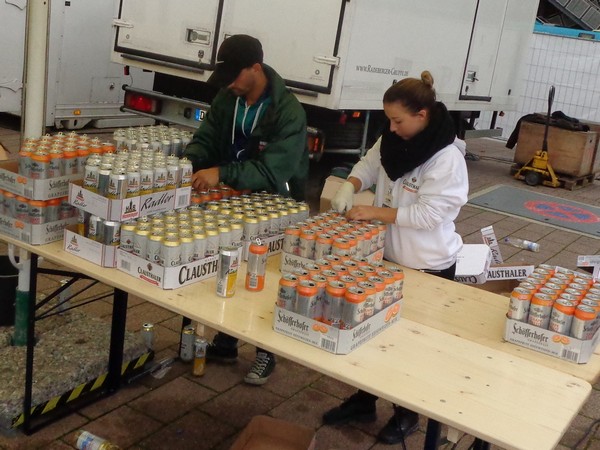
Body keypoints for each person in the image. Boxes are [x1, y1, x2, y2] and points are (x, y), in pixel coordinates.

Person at [323, 71, 469, 445]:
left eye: (398, 120)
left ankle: (407, 413)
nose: (391, 127)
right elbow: (369, 165)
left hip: (428, 265)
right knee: (371, 330)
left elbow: (429, 214)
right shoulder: (393, 139)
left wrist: (374, 212)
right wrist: (349, 186)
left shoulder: (446, 158)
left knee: (411, 344)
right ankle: (364, 399)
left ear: (422, 115)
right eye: (388, 119)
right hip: (386, 257)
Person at [184, 34, 309, 386]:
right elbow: (208, 136)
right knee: (230, 267)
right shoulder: (229, 97)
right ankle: (226, 341)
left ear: (256, 68)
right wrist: (188, 163)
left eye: (234, 76)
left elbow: (272, 172)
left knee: (264, 277)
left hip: (275, 203)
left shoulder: (288, 111)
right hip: (235, 198)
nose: (229, 85)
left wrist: (221, 172)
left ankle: (266, 351)